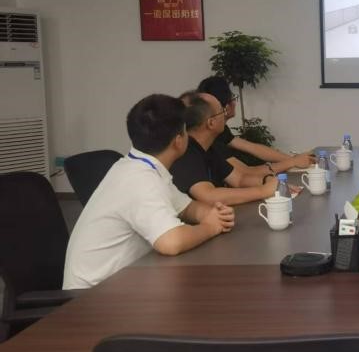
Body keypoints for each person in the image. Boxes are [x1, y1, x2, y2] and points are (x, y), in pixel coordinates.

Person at [62, 94, 235, 289]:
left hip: (120, 283)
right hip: (91, 297)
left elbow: (186, 208)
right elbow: (171, 242)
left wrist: (212, 214)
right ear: (179, 140)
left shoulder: (140, 166)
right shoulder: (139, 179)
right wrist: (210, 227)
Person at [171, 92, 291, 206]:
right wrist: (263, 191)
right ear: (211, 123)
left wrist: (268, 181)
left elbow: (239, 179)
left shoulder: (209, 148)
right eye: (222, 111)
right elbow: (209, 195)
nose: (226, 114)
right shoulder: (185, 152)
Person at [196, 76, 313, 172]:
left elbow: (252, 148)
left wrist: (295, 159)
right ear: (225, 107)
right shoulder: (211, 138)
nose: (235, 103)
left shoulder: (218, 130)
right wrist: (292, 162)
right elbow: (243, 175)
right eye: (233, 98)